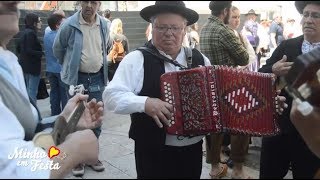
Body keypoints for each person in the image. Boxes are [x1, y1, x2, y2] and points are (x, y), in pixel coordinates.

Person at [103, 1, 212, 179]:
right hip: (153, 151)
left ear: (184, 29)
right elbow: (111, 97)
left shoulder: (200, 59)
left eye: (175, 28)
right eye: (162, 27)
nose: (169, 33)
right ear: (152, 27)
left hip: (192, 149)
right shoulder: (136, 59)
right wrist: (145, 103)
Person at [0, 1, 103, 178]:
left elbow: (29, 137)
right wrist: (73, 152)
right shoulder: (69, 24)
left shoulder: (8, 62)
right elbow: (11, 167)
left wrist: (65, 120)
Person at [258, 1, 320, 178]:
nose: (308, 20)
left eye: (315, 16)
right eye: (306, 15)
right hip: (279, 129)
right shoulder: (287, 46)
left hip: (312, 136)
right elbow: (261, 74)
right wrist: (273, 70)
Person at [53, 0, 110, 176]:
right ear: (80, 3)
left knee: (95, 119)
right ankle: (76, 159)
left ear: (99, 4)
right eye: (85, 1)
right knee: (75, 120)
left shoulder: (104, 25)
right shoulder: (69, 25)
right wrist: (70, 67)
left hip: (98, 78)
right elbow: (58, 50)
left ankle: (91, 156)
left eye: (93, 2)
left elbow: (105, 48)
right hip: (77, 79)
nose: (89, 6)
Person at [199, 1, 250, 179]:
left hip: (210, 86)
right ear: (226, 11)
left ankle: (215, 168)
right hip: (230, 86)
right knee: (241, 125)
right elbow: (244, 58)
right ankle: (238, 170)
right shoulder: (224, 31)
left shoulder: (204, 28)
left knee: (214, 127)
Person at [16, 12, 43, 104]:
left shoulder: (24, 32)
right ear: (34, 23)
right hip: (33, 67)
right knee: (32, 92)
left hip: (25, 66)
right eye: (39, 21)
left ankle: (30, 111)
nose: (41, 23)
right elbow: (29, 50)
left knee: (29, 90)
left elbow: (19, 48)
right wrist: (40, 53)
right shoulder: (31, 34)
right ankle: (33, 114)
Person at [44, 13, 67, 116]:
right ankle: (65, 116)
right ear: (58, 25)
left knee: (54, 94)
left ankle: (54, 115)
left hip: (50, 69)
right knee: (64, 95)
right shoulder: (60, 36)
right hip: (60, 69)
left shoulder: (46, 35)